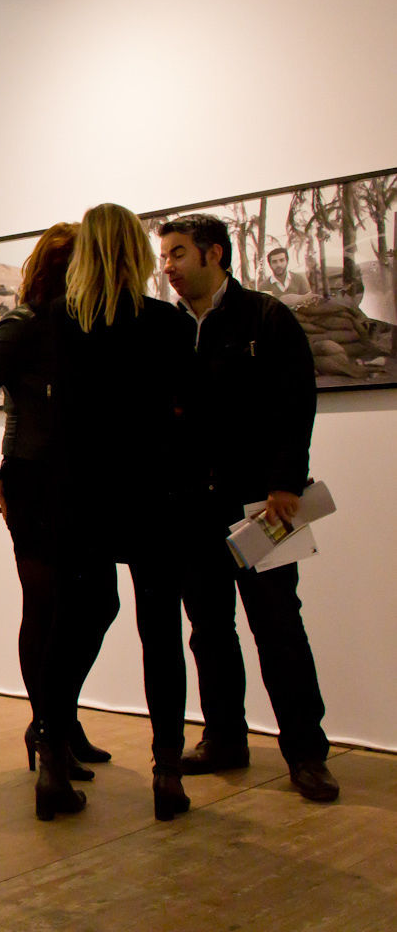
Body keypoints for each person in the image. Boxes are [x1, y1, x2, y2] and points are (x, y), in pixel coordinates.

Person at [159, 213, 338, 802]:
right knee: (208, 630)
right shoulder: (166, 330)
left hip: (264, 506)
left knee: (278, 626)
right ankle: (225, 739)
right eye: (165, 257)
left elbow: (296, 405)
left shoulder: (267, 317)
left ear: (214, 255)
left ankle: (306, 753)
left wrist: (286, 482)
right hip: (190, 508)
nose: (169, 268)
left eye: (179, 254)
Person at [37, 203, 196, 822]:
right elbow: (188, 417)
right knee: (160, 635)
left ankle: (51, 763)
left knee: (69, 630)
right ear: (134, 252)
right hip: (154, 497)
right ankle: (168, 773)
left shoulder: (55, 323)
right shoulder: (167, 325)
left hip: (79, 498)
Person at [0, 222, 115, 781]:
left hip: (80, 484)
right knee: (47, 610)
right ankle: (51, 729)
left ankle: (56, 720)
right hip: (34, 482)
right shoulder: (23, 325)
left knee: (94, 605)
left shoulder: (86, 327)